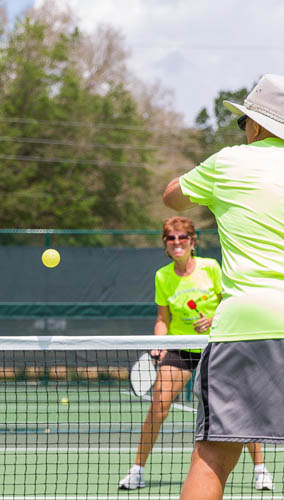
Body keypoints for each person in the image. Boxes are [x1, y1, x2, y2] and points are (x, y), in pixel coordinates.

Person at [163, 74, 284, 500]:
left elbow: (173, 196)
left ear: (255, 125)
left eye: (243, 123)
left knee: (213, 456)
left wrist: (205, 186)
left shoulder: (228, 162)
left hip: (245, 326)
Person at [118, 217, 273, 491]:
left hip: (217, 344)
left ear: (193, 242)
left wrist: (214, 318)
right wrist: (158, 342)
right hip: (181, 348)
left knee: (240, 409)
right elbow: (162, 318)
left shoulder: (211, 268)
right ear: (165, 245)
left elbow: (232, 301)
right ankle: (137, 470)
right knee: (158, 405)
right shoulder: (162, 276)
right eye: (171, 238)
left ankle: (260, 470)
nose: (177, 243)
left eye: (182, 237)